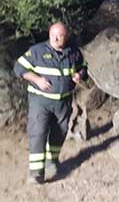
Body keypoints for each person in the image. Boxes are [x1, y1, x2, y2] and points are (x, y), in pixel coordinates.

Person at [14, 22, 87, 184]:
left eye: (59, 35)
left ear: (66, 36)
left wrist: (79, 74)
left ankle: (52, 161)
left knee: (59, 132)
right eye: (53, 34)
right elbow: (19, 67)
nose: (55, 38)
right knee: (38, 132)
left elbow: (83, 67)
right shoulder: (37, 51)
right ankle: (36, 173)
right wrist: (37, 79)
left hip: (63, 102)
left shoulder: (73, 52)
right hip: (41, 101)